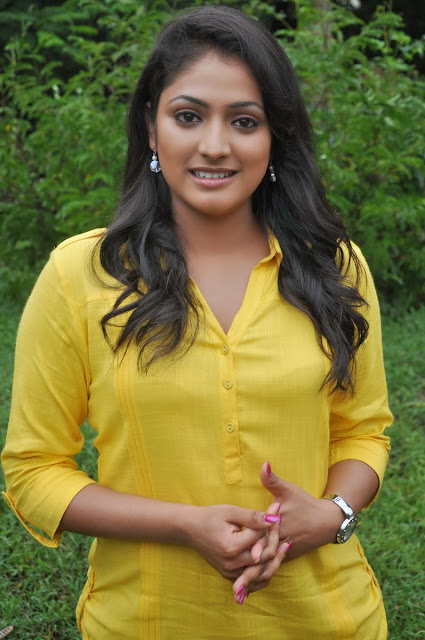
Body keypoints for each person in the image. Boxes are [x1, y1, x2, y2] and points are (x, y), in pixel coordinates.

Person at [1, 5, 392, 639]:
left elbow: (363, 431)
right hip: (144, 621)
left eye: (245, 121)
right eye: (188, 116)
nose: (215, 145)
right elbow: (34, 470)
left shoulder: (334, 266)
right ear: (151, 129)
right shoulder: (83, 275)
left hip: (330, 619)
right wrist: (183, 525)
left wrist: (334, 512)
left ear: (275, 136)